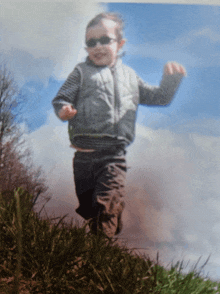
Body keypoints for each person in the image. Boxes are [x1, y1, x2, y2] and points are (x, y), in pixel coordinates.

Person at [52, 12, 186, 238]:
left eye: (105, 40)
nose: (98, 46)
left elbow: (159, 98)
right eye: (91, 42)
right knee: (88, 207)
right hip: (83, 156)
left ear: (120, 44)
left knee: (105, 204)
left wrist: (170, 82)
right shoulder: (81, 73)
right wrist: (64, 110)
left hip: (113, 155)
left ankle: (100, 249)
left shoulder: (130, 77)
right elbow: (61, 97)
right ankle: (111, 214)